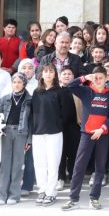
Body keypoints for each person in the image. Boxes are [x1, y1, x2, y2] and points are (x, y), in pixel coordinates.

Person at [62, 66, 109, 210]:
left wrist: (102, 129)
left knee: (100, 167)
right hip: (86, 134)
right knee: (79, 166)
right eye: (95, 77)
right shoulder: (86, 91)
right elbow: (70, 85)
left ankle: (94, 198)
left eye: (101, 77)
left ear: (107, 78)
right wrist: (84, 78)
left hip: (103, 135)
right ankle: (73, 199)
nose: (98, 80)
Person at [31, 63, 74, 206]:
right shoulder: (36, 92)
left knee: (53, 163)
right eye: (45, 71)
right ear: (41, 74)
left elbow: (66, 113)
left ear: (55, 74)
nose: (48, 74)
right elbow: (33, 113)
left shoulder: (60, 92)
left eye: (51, 71)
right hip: (38, 133)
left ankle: (51, 192)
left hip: (54, 133)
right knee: (39, 163)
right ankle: (42, 190)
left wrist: (57, 124)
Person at [0, 73, 33, 205]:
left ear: (24, 83)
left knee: (18, 165)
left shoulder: (30, 100)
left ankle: (14, 195)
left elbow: (31, 121)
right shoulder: (4, 99)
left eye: (19, 82)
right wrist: (0, 130)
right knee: (5, 164)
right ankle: (2, 195)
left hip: (21, 133)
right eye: (14, 82)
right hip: (6, 133)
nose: (16, 84)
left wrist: (29, 139)